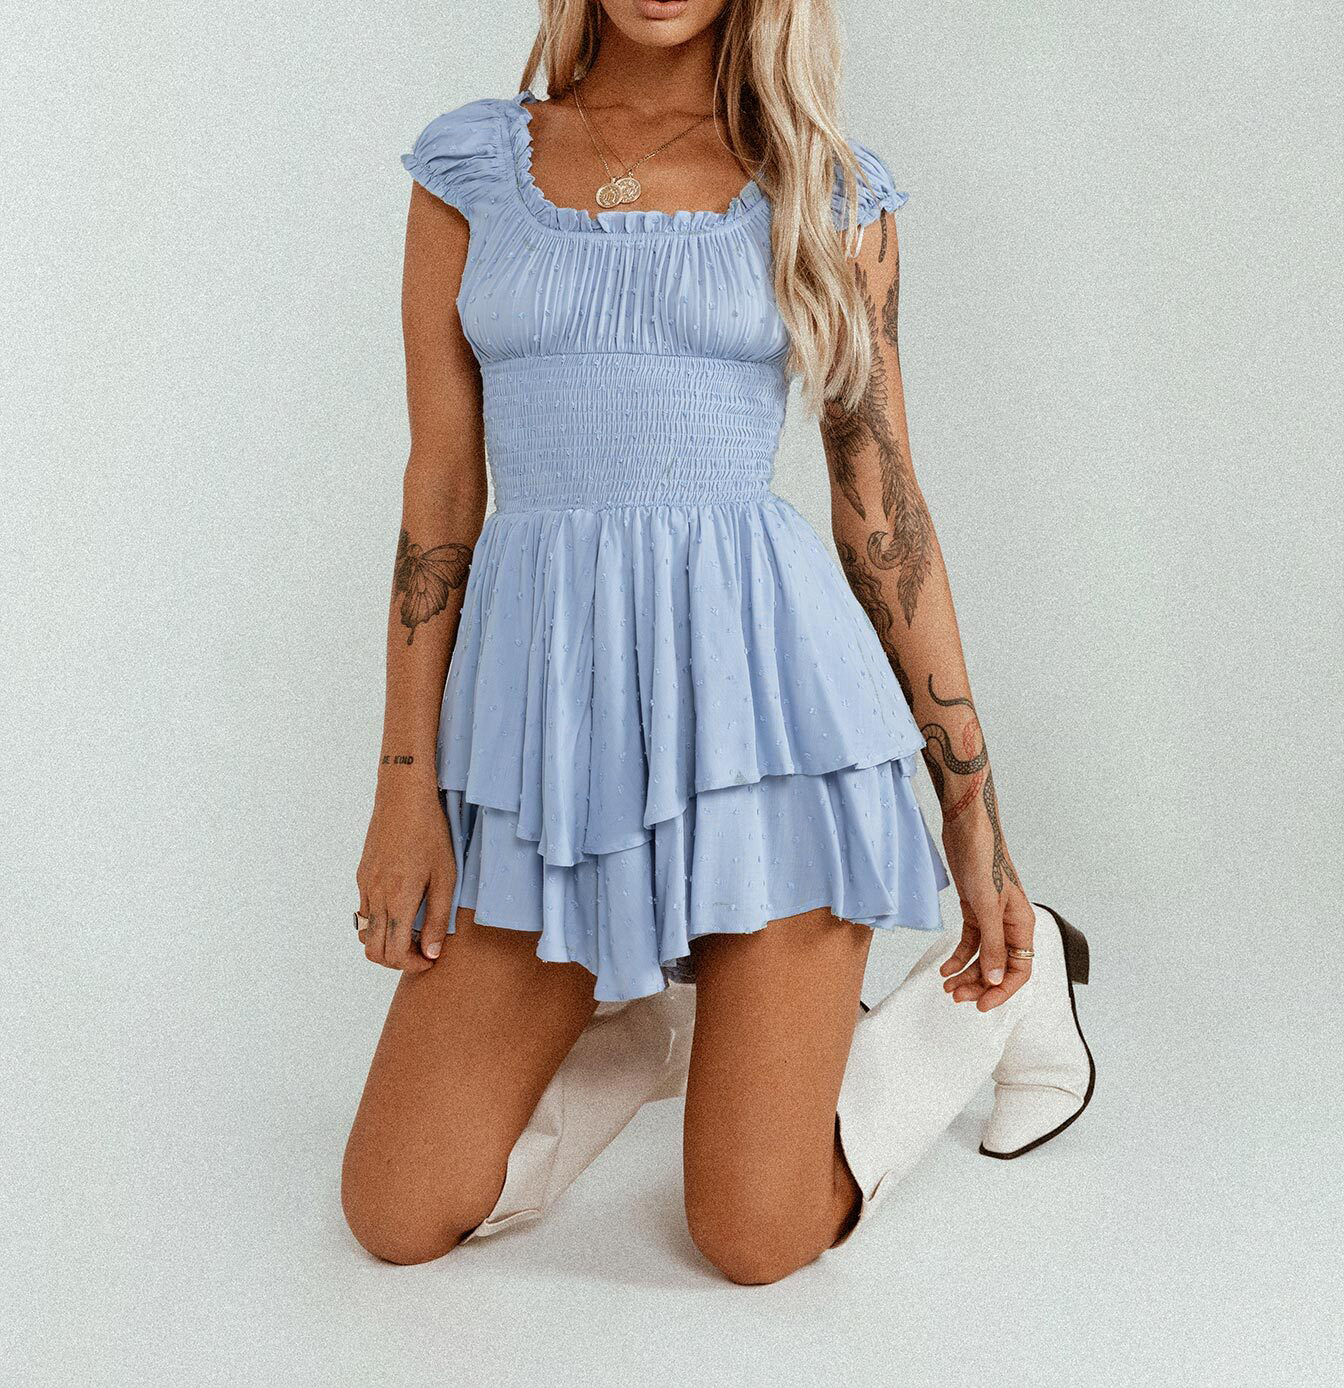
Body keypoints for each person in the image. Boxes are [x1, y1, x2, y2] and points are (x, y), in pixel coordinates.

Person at [341, 0, 1095, 1285]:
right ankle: (664, 1025)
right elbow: (442, 493)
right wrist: (405, 787)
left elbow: (883, 511)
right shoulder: (472, 172)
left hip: (771, 735)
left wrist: (975, 814)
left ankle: (1008, 1002)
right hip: (550, 756)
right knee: (395, 1207)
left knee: (754, 1233)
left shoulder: (825, 191)